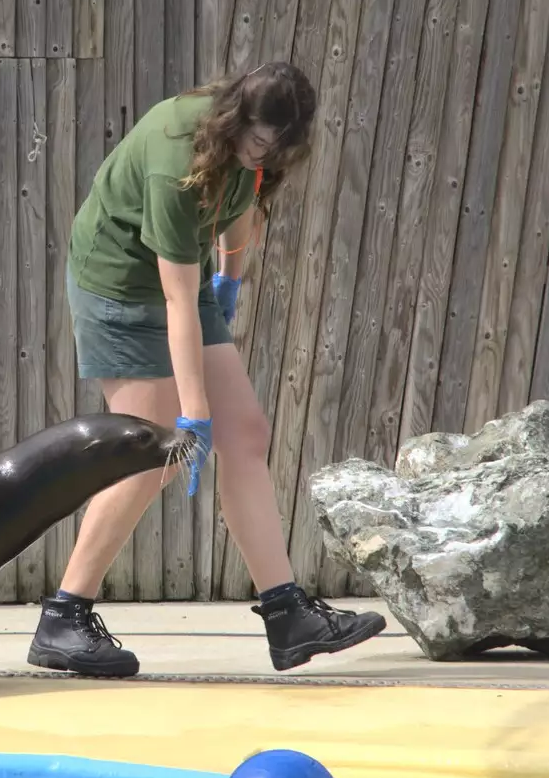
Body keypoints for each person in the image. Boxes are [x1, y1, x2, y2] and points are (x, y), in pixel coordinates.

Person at [26, 61, 388, 677]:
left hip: (186, 282)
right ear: (235, 118)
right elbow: (174, 302)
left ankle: (287, 614)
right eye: (255, 143)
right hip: (120, 288)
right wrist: (191, 414)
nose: (262, 156)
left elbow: (245, 200)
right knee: (150, 454)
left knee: (245, 432)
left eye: (276, 149)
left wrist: (229, 279)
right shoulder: (176, 163)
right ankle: (63, 619)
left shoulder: (254, 151)